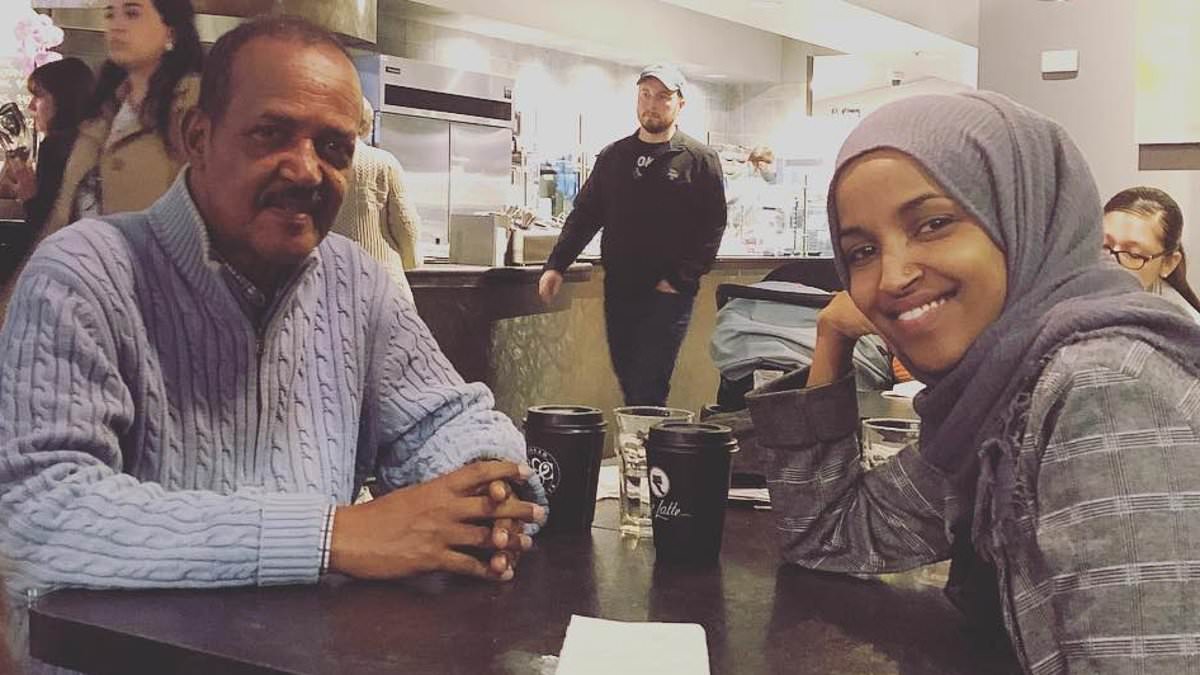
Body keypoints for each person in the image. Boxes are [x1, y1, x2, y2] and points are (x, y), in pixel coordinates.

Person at [0, 16, 543, 670]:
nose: (307, 169)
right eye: (271, 133)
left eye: (334, 146)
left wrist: (483, 495)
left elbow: (448, 418)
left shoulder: (355, 282)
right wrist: (333, 536)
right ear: (197, 137)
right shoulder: (84, 273)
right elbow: (41, 512)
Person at [746, 92, 1200, 674]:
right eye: (861, 251)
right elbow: (829, 534)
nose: (892, 276)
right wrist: (831, 337)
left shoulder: (1103, 387)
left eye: (934, 223)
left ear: (1023, 214)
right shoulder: (999, 396)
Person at [538, 63, 727, 406]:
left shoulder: (699, 159)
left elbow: (712, 226)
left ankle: (647, 441)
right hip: (621, 289)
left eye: (663, 97)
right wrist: (556, 265)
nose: (652, 104)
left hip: (668, 294)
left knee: (648, 386)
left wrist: (679, 279)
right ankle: (641, 439)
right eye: (645, 94)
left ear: (680, 103)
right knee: (628, 380)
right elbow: (585, 215)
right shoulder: (614, 156)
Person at [43, 0, 202, 235]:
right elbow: (63, 210)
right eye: (110, 15)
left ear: (170, 30)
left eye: (132, 13)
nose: (116, 26)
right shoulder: (104, 110)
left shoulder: (192, 102)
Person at [332, 97, 421, 302]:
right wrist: (411, 260)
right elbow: (405, 221)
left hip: (334, 278)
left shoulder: (319, 162)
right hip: (384, 279)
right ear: (366, 124)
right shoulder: (384, 162)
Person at [0, 58, 95, 231]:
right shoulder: (92, 140)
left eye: (38, 96)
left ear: (63, 99)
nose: (31, 107)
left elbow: (44, 221)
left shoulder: (54, 147)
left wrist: (28, 195)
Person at [1103, 186, 1200, 322]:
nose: (1110, 262)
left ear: (1168, 263)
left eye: (1133, 255)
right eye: (1103, 246)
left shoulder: (1182, 328)